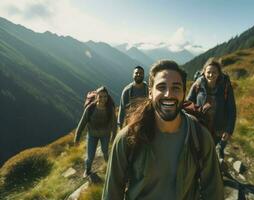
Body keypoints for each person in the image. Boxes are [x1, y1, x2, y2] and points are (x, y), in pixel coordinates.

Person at [102, 60, 224, 200]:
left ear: (184, 93)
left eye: (176, 88)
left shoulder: (200, 136)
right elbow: (111, 193)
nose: (168, 94)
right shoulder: (127, 138)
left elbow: (214, 191)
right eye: (161, 87)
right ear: (150, 93)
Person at [186, 58, 236, 159]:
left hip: (218, 130)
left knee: (214, 154)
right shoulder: (198, 84)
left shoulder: (225, 86)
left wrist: (229, 130)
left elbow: (232, 109)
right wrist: (199, 110)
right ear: (204, 72)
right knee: (199, 153)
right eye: (208, 72)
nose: (211, 75)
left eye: (214, 72)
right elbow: (187, 103)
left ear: (219, 73)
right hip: (200, 127)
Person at [74, 86, 117, 177]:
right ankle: (87, 170)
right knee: (90, 157)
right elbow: (82, 124)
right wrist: (77, 138)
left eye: (105, 96)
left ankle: (109, 167)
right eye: (100, 96)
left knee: (105, 152)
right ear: (96, 96)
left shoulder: (110, 109)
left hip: (105, 134)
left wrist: (113, 137)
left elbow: (114, 124)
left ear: (107, 97)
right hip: (92, 135)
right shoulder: (90, 108)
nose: (103, 99)